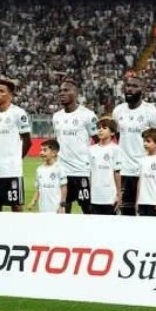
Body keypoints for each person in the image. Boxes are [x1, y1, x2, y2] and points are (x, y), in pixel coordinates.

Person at [112, 76, 156, 216]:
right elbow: (118, 136)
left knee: (145, 212)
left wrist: (153, 161)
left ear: (143, 90)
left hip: (144, 171)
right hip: (124, 170)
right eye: (128, 85)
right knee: (123, 212)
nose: (130, 89)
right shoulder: (118, 111)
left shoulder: (151, 111)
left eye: (134, 86)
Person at [0, 78, 32, 212]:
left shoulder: (18, 113)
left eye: (1, 91)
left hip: (12, 169)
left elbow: (28, 141)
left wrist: (17, 158)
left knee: (16, 205)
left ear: (10, 95)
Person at [52, 79, 97, 214]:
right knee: (63, 208)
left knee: (88, 209)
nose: (62, 93)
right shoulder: (56, 117)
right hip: (62, 171)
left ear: (76, 93)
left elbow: (97, 141)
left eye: (66, 90)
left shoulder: (87, 115)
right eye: (61, 90)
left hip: (81, 170)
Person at [89, 117, 122, 215]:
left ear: (112, 133)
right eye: (98, 128)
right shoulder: (91, 150)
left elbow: (117, 172)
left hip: (110, 197)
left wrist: (119, 194)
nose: (100, 130)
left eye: (104, 128)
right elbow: (89, 173)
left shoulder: (116, 149)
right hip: (95, 196)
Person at [27, 139, 67, 214]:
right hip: (43, 208)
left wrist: (62, 205)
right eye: (41, 150)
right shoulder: (39, 169)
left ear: (54, 153)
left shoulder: (60, 168)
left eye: (45, 150)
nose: (41, 153)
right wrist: (33, 201)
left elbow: (63, 187)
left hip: (56, 209)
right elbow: (38, 189)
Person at [136, 128, 156, 217]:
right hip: (142, 201)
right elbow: (140, 181)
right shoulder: (142, 160)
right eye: (144, 141)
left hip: (154, 202)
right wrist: (137, 201)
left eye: (148, 141)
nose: (145, 143)